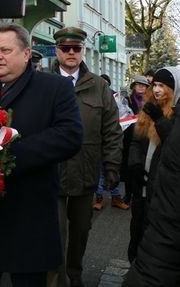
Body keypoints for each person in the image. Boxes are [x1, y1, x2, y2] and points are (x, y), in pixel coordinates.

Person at [0, 22, 83, 287]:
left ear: (26, 54)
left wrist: (4, 154)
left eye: (6, 50)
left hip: (30, 217)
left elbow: (70, 136)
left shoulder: (54, 88)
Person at [49, 27, 123, 287]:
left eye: (76, 48)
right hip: (50, 172)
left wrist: (113, 165)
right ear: (57, 50)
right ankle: (56, 280)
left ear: (82, 51)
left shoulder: (99, 85)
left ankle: (75, 274)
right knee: (55, 232)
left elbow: (112, 129)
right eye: (65, 48)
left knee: (81, 230)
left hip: (86, 170)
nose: (71, 53)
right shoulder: (42, 82)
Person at [123, 78, 180, 287]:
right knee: (136, 230)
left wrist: (161, 120)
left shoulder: (174, 114)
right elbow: (136, 141)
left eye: (162, 86)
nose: (156, 90)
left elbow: (172, 146)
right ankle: (135, 265)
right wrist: (135, 166)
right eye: (154, 85)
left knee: (152, 233)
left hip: (161, 191)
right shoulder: (148, 108)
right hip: (142, 185)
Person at [92, 74, 129, 211]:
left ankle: (116, 198)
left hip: (112, 140)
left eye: (106, 84)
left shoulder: (116, 99)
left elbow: (122, 115)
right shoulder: (93, 97)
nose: (104, 87)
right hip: (97, 140)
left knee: (114, 170)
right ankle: (99, 198)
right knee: (100, 171)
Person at [119, 75, 150, 207]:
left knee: (141, 166)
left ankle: (141, 193)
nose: (141, 86)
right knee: (128, 167)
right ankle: (128, 194)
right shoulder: (126, 100)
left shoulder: (150, 102)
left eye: (143, 85)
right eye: (138, 84)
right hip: (128, 138)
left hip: (144, 138)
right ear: (133, 86)